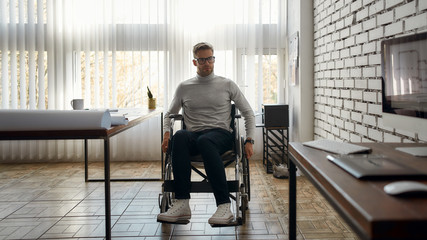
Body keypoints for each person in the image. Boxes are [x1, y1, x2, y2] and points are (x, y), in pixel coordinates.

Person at [157, 42, 255, 225]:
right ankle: (182, 203)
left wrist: (250, 139)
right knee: (180, 136)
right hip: (194, 136)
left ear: (214, 59)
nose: (207, 63)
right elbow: (169, 115)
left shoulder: (227, 84)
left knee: (205, 141)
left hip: (221, 135)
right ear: (195, 62)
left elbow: (248, 112)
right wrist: (166, 135)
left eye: (210, 58)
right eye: (202, 60)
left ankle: (224, 205)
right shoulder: (184, 87)